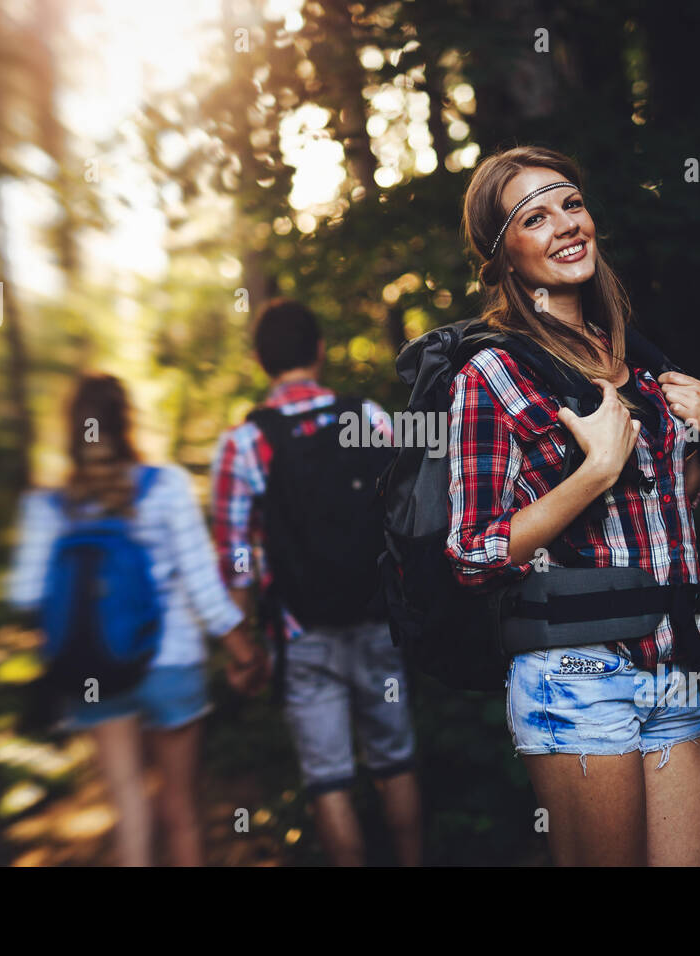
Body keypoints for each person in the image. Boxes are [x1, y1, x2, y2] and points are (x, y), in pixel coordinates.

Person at [446, 146, 700, 866]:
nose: (564, 225)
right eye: (533, 217)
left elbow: (671, 503)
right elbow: (472, 552)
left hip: (676, 664)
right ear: (504, 257)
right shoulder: (493, 374)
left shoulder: (638, 359)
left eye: (571, 203)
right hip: (575, 678)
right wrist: (595, 469)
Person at [7, 373, 264, 866]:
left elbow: (24, 595)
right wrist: (245, 654)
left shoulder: (47, 504)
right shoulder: (165, 485)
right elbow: (204, 588)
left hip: (94, 671)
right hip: (172, 664)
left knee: (128, 805)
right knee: (180, 808)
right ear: (127, 423)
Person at [211, 298, 422, 866]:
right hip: (377, 619)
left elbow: (234, 559)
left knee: (330, 780)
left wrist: (243, 647)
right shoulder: (367, 417)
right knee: (395, 763)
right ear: (321, 350)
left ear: (260, 361)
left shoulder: (244, 444)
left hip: (300, 633)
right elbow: (407, 512)